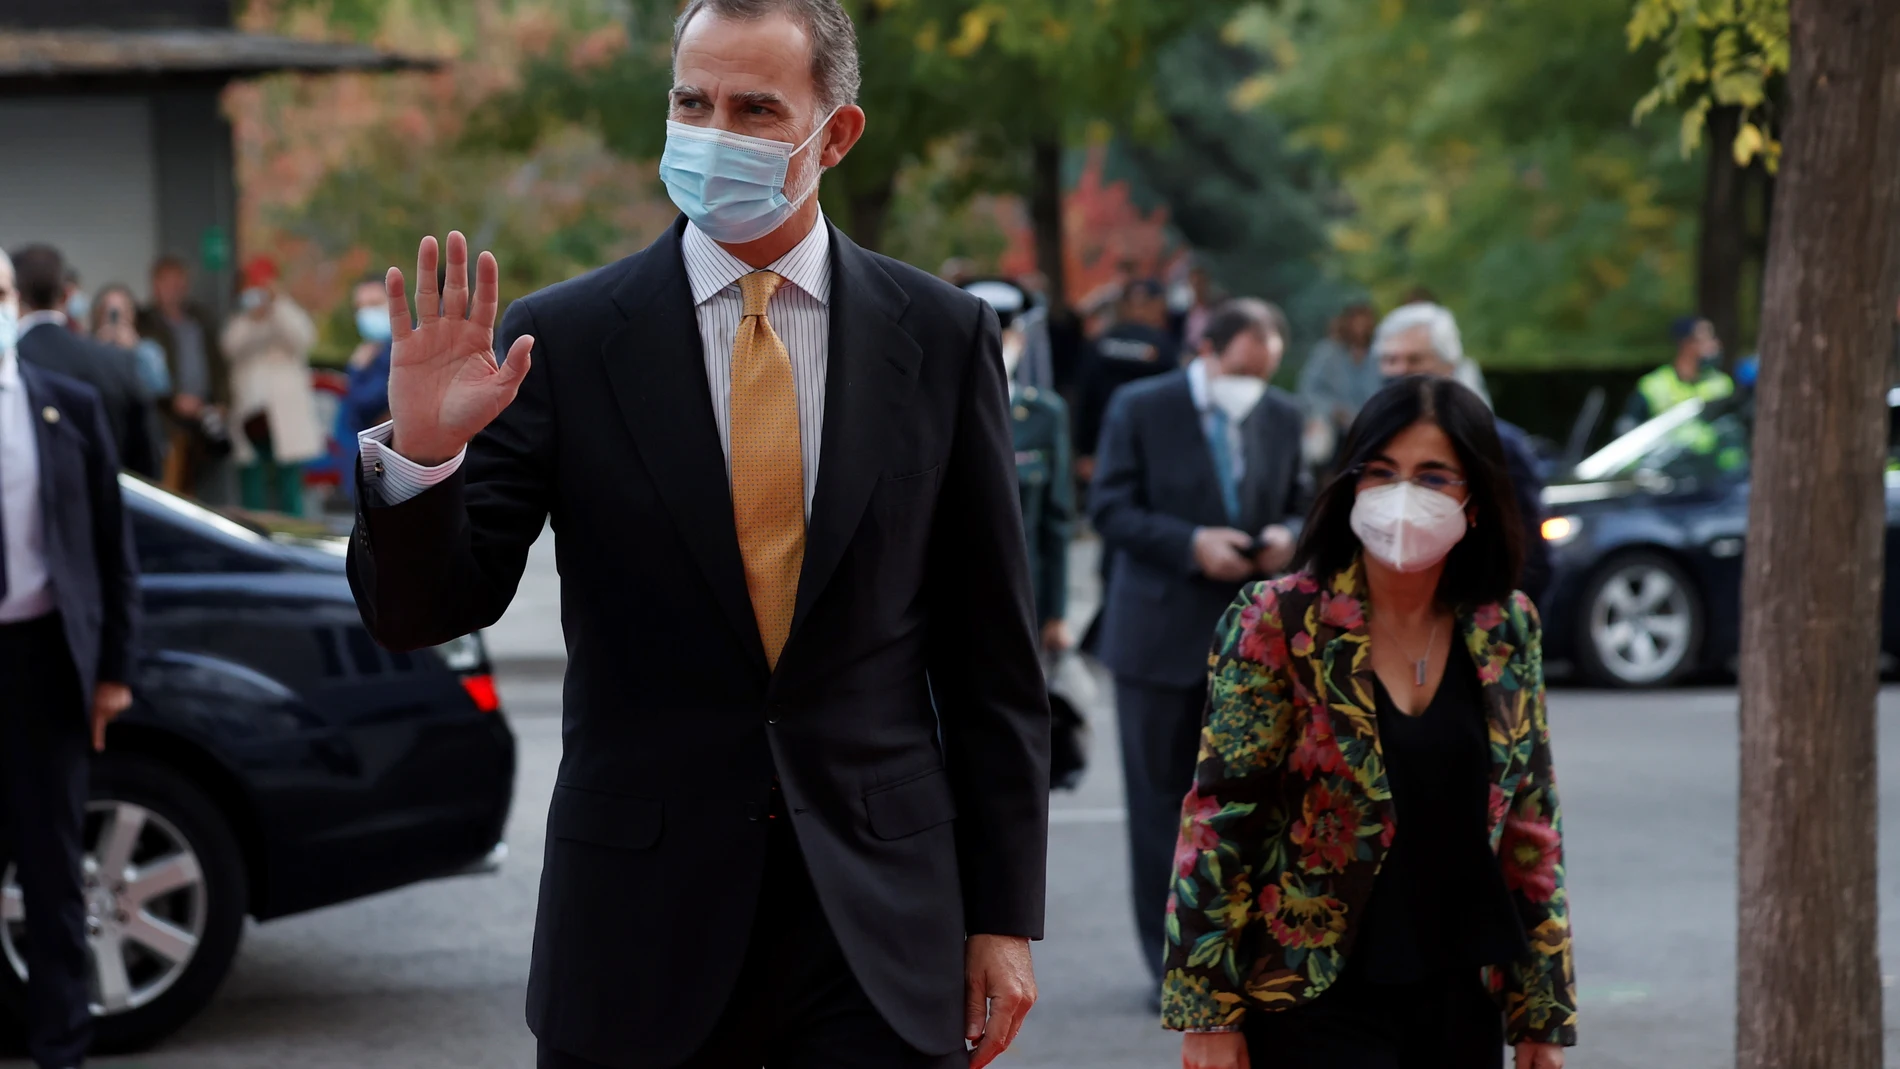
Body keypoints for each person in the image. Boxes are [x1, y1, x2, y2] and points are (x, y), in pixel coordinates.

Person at [347, 2, 1049, 1067]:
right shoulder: (565, 342)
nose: (711, 130)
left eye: (755, 108)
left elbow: (992, 657)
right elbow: (421, 613)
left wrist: (1003, 916)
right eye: (691, 101)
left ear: (836, 133)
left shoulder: (942, 337)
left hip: (877, 924)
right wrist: (425, 459)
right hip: (637, 923)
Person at [1166, 375, 1576, 1069]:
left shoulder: (1505, 624)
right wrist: (1206, 1009)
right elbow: (1220, 814)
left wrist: (1543, 1011)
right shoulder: (1280, 618)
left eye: (1433, 475)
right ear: (1350, 485)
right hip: (1313, 993)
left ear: (1474, 498)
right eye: (1380, 473)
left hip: (1460, 986)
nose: (1402, 496)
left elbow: (1532, 824)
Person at [1088, 298, 1309, 990]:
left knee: (1248, 801)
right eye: (1244, 368)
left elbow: (1304, 496)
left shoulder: (1283, 414)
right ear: (1208, 352)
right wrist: (1190, 544)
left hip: (1252, 639)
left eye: (1265, 373)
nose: (1254, 385)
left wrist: (1288, 535)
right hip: (1155, 638)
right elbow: (1110, 507)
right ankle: (1173, 963)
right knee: (1160, 806)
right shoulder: (1140, 406)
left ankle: (1238, 947)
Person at [0, 248, 141, 1069]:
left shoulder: (66, 405)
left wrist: (114, 670)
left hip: (41, 660)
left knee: (53, 868)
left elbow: (111, 550)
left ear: (19, 304)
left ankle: (62, 1047)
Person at [1374, 302, 1551, 606]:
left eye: (1414, 359)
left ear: (1449, 366)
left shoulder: (1500, 446)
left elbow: (1530, 553)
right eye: (1390, 360)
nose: (1400, 371)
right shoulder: (1368, 442)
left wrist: (1494, 625)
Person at [965, 278, 1073, 657]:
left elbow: (1056, 521)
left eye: (1004, 334)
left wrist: (1057, 614)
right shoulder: (924, 408)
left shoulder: (1044, 414)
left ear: (1020, 342)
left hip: (1023, 597)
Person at [10, 245, 158, 478]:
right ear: (67, 294)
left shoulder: (11, 365)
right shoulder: (117, 361)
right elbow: (147, 456)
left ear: (14, 295)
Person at [220, 256, 323, 515]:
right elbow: (230, 346)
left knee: (290, 492)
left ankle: (294, 544)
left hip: (284, 420)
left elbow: (303, 337)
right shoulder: (240, 321)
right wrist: (253, 318)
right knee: (253, 491)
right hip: (251, 419)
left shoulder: (286, 312)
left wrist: (277, 307)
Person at [138, 254, 232, 500]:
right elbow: (144, 374)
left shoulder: (201, 319)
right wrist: (172, 399)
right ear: (156, 284)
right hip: (167, 419)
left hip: (205, 417)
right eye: (169, 283)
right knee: (171, 486)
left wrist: (222, 402)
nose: (175, 290)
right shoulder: (145, 323)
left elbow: (219, 365)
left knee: (204, 486)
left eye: (180, 283)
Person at [1074, 278, 1178, 484]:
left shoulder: (1100, 343)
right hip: (1153, 447)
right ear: (1158, 306)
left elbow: (1085, 397)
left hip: (1104, 445)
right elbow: (1174, 401)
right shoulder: (1164, 347)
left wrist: (1083, 451)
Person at [1617, 315, 1733, 435]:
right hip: (1668, 453)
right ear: (1685, 343)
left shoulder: (1721, 384)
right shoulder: (1653, 385)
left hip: (1714, 453)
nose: (1715, 346)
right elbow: (1628, 429)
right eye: (1705, 339)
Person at [336, 274, 396, 495]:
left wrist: (357, 371)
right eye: (360, 307)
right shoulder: (369, 351)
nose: (367, 313)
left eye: (374, 304)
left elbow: (369, 399)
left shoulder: (402, 349)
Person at [1297, 302, 1381, 453]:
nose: (1360, 328)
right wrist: (1333, 410)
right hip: (1334, 426)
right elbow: (1308, 390)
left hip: (1370, 426)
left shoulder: (1379, 354)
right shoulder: (1328, 353)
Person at [89, 283, 173, 400]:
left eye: (121, 313)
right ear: (98, 315)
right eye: (108, 313)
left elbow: (161, 389)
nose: (115, 321)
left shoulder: (148, 350)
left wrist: (136, 350)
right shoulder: (87, 347)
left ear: (131, 314)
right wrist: (96, 350)